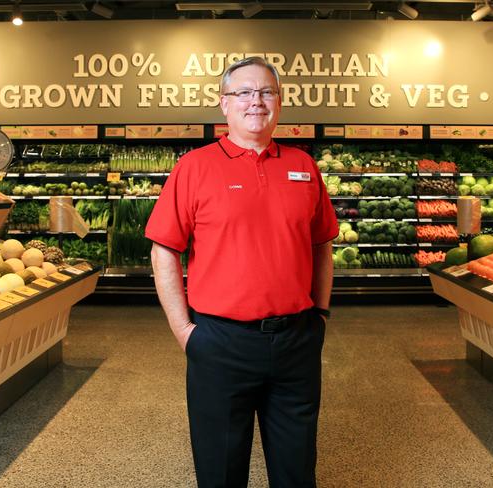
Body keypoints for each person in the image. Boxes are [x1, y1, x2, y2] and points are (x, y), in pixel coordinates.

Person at [145, 56, 338, 488]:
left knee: (296, 469)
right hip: (220, 344)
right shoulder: (194, 167)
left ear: (280, 103)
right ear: (224, 104)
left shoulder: (304, 167)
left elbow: (322, 245)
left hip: (296, 342)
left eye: (266, 92)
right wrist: (184, 331)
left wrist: (320, 316)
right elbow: (164, 251)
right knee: (220, 471)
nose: (256, 101)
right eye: (244, 93)